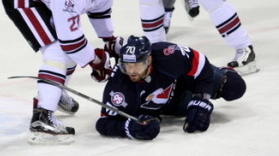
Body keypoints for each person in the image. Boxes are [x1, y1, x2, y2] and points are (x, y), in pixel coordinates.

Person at [1, 0, 123, 144]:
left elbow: (100, 9)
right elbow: (70, 42)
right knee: (57, 49)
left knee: (71, 47)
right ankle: (43, 116)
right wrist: (95, 61)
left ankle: (54, 94)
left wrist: (108, 38)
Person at [96, 35, 246, 140]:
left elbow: (199, 63)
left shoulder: (167, 54)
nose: (131, 71)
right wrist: (129, 128)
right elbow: (103, 123)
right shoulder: (118, 87)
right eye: (127, 65)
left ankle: (224, 72)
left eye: (136, 65)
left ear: (149, 60)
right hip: (171, 105)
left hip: (185, 80)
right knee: (193, 118)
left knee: (234, 87)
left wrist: (202, 98)